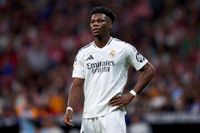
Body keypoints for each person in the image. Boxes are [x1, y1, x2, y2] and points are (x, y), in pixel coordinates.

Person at [63, 6, 155, 133]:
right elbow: (77, 84)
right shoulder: (83, 53)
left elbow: (149, 70)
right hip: (88, 116)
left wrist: (131, 94)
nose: (95, 24)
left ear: (110, 24)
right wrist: (70, 108)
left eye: (100, 21)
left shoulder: (123, 48)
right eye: (92, 22)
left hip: (112, 114)